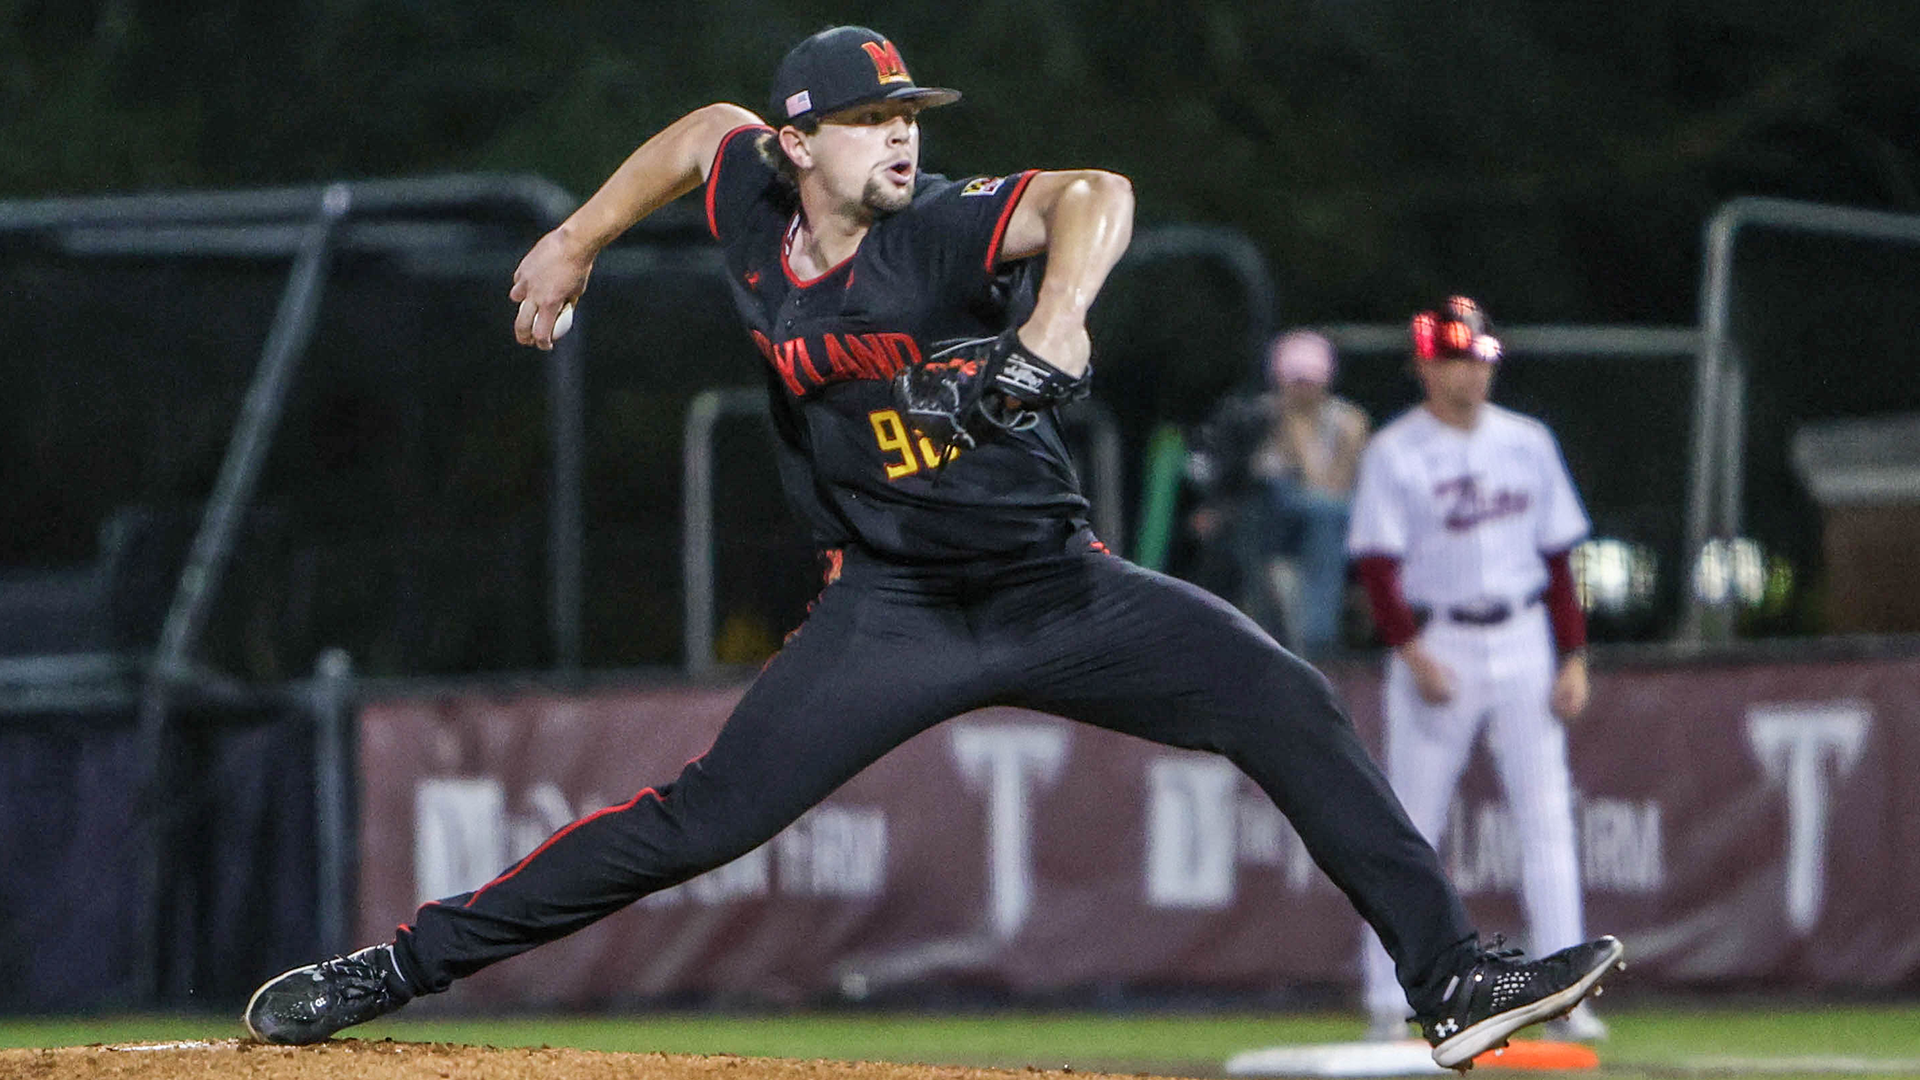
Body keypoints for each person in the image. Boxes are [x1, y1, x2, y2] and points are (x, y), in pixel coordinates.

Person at [243, 29, 1622, 1069]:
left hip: (1057, 591)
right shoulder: (748, 200)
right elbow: (696, 134)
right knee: (698, 823)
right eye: (864, 121)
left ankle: (1449, 988)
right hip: (892, 608)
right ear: (800, 148)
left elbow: (1096, 192)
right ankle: (396, 968)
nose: (898, 139)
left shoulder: (946, 229)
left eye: (906, 113)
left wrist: (1058, 316)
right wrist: (577, 238)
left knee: (1287, 703)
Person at [1346, 296, 1608, 1043]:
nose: (1469, 374)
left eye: (1478, 359)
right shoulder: (1396, 450)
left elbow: (1560, 560)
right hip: (1441, 643)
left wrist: (1574, 656)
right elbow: (1376, 564)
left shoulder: (1527, 441)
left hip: (1525, 638)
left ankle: (1568, 999)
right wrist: (1410, 650)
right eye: (1454, 360)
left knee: (1548, 821)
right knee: (1406, 830)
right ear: (1424, 365)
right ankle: (1389, 1000)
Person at [1188, 331, 1367, 651]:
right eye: (1295, 380)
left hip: (1328, 515)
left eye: (1309, 381)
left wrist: (1299, 436)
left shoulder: (1348, 421)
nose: (1302, 391)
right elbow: (1233, 477)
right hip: (1266, 516)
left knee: (1325, 518)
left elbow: (1331, 487)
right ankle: (1265, 632)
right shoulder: (1256, 417)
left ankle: (1316, 639)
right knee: (1261, 507)